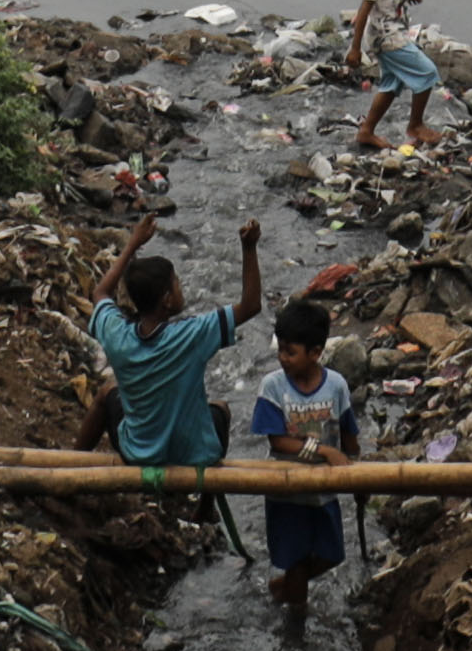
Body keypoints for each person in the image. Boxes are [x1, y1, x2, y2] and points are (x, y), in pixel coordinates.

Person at [74, 211, 264, 468]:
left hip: (138, 453)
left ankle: (74, 462)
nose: (181, 287)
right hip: (191, 456)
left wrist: (132, 244)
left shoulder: (117, 334)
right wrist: (249, 248)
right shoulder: (190, 335)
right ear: (166, 299)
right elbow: (251, 305)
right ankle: (206, 506)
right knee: (221, 408)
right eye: (177, 283)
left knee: (107, 392)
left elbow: (100, 292)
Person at [248, 298, 359, 612]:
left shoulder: (335, 385)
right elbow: (279, 441)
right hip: (287, 491)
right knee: (296, 561)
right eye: (280, 349)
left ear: (315, 353)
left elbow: (348, 430)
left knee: (332, 554)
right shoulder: (273, 386)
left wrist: (358, 466)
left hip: (322, 492)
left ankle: (283, 588)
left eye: (290, 352)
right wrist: (325, 450)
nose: (282, 358)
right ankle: (295, 626)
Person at [347, 0, 439, 153]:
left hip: (392, 30)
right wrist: (355, 49)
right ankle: (415, 125)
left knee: (391, 84)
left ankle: (366, 131)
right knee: (428, 73)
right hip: (385, 36)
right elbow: (365, 8)